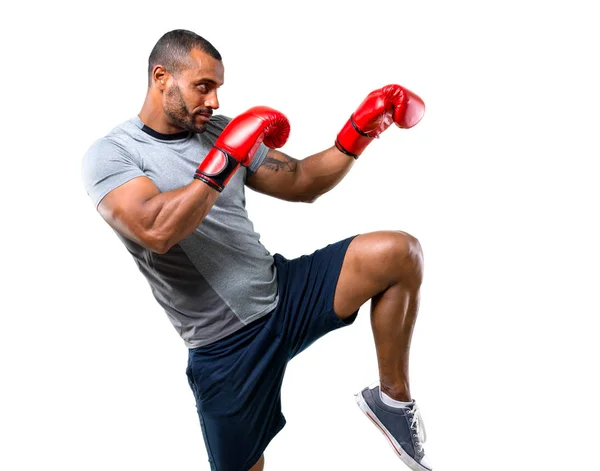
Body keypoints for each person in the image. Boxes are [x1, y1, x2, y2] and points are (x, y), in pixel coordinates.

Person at [81, 29, 431, 471]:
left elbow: (303, 181)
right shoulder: (113, 155)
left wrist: (362, 130)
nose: (214, 102)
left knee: (400, 253)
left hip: (284, 295)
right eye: (203, 87)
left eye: (218, 88)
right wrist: (225, 158)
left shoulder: (220, 132)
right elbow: (156, 229)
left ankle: (393, 403)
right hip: (224, 346)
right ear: (161, 77)